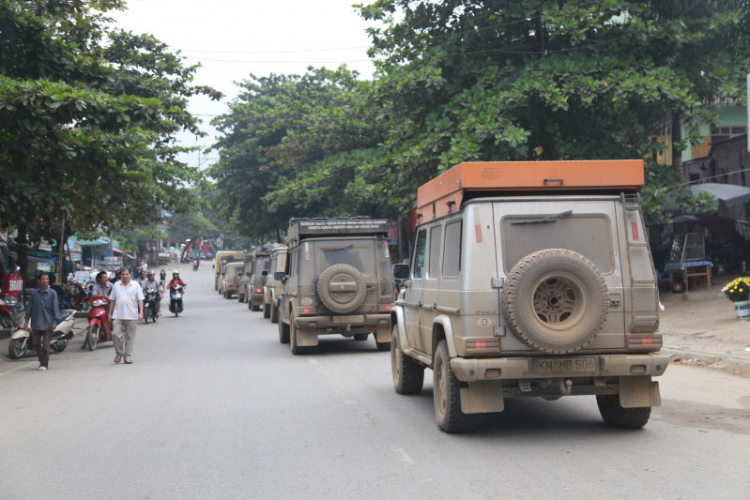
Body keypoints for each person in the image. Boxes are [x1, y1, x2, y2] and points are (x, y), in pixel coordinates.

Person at [20, 273, 60, 371]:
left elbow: (55, 308)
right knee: (36, 344)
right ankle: (42, 359)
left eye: (46, 279)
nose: (45, 280)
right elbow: (30, 308)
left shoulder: (52, 293)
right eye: (43, 279)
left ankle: (44, 364)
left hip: (48, 323)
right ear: (38, 281)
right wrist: (26, 321)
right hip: (36, 323)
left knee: (46, 346)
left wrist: (55, 322)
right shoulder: (34, 293)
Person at [108, 268, 144, 364]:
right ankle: (119, 353)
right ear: (120, 275)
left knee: (130, 337)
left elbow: (140, 300)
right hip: (118, 315)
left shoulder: (136, 285)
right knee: (115, 334)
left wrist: (141, 313)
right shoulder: (116, 285)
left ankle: (128, 356)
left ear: (130, 274)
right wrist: (110, 313)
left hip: (132, 315)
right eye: (123, 274)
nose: (125, 276)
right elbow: (112, 300)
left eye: (126, 274)